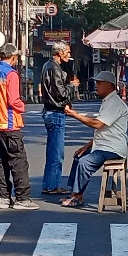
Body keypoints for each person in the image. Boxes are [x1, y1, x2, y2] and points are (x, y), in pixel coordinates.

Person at [0, 43, 39, 210]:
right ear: (13, 58)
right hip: (9, 124)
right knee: (18, 161)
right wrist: (22, 106)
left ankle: (4, 198)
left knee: (1, 162)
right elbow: (13, 100)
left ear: (0, 56)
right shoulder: (11, 74)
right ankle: (22, 199)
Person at [60, 71, 128, 207]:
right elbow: (104, 131)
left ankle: (77, 195)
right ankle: (74, 192)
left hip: (112, 149)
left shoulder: (114, 103)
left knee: (85, 162)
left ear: (109, 85)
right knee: (79, 156)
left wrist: (76, 115)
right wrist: (87, 146)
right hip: (104, 145)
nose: (97, 86)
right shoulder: (107, 102)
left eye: (99, 83)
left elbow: (98, 124)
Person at [40, 41, 80, 195]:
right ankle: (51, 185)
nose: (69, 55)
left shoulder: (49, 66)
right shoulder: (54, 68)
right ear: (59, 52)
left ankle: (49, 184)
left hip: (51, 111)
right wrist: (71, 85)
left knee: (53, 152)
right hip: (55, 112)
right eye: (67, 52)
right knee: (57, 153)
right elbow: (60, 93)